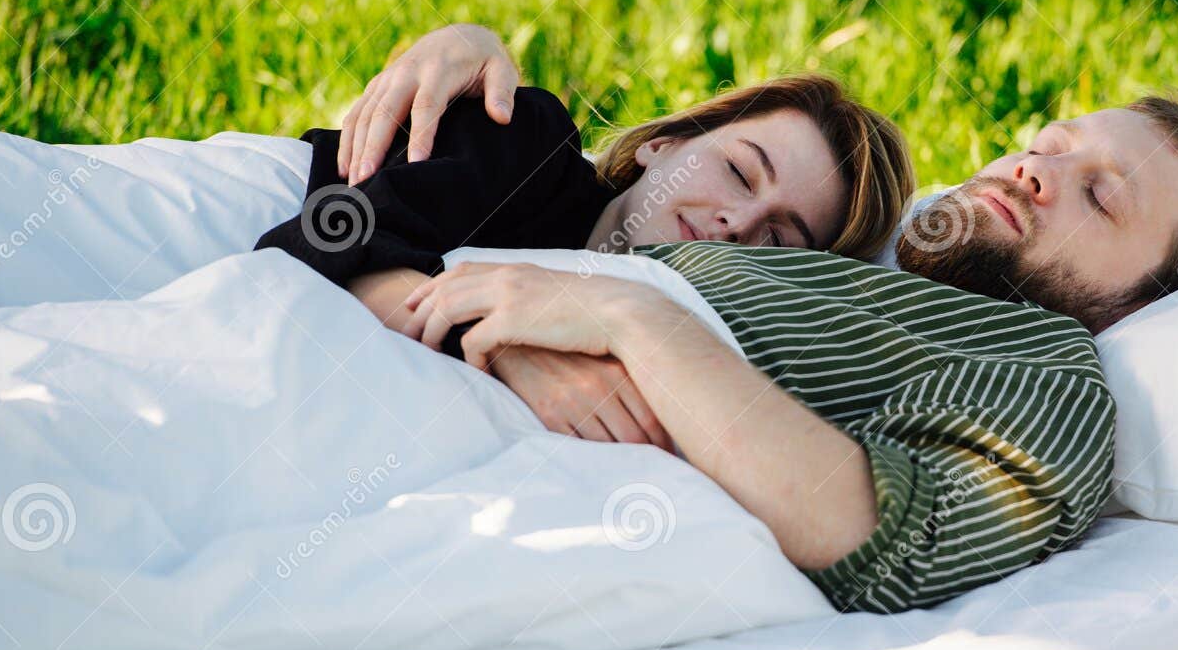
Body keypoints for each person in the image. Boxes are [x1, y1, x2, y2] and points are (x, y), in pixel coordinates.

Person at [258, 24, 1178, 615]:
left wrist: (624, 319)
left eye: (1101, 198)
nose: (1039, 170)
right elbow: (348, 234)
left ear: (1142, 301)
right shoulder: (846, 261)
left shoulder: (1039, 364)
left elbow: (876, 534)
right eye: (1050, 143)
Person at [256, 58, 913, 446]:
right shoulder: (525, 150)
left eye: (779, 238)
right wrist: (511, 350)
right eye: (741, 173)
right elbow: (317, 244)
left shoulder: (693, 356)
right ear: (666, 143)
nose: (738, 222)